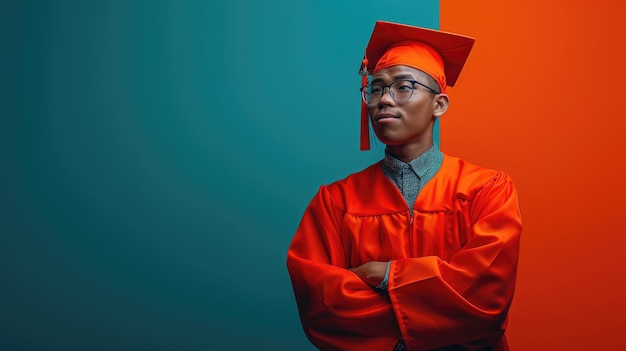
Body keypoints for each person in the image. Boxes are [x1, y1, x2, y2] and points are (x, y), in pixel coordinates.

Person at [286, 20, 522, 351]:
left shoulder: (487, 190)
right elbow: (322, 306)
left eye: (403, 87)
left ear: (439, 105)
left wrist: (383, 276)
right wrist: (434, 309)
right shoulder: (336, 201)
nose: (384, 99)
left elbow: (485, 299)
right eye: (377, 87)